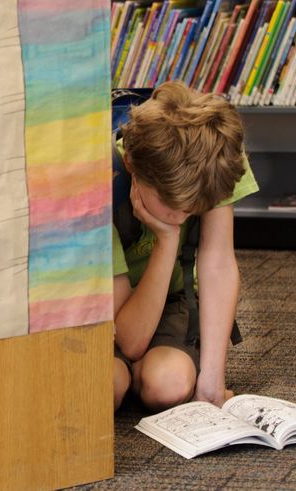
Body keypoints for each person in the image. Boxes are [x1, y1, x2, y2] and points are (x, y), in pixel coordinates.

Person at [112, 81, 259, 412]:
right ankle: (131, 374)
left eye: (193, 208)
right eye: (170, 203)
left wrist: (212, 383)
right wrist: (166, 239)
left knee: (168, 385)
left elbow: (218, 262)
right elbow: (129, 340)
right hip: (111, 311)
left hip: (173, 301)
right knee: (104, 386)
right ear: (134, 167)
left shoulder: (216, 161)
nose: (181, 215)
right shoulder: (107, 177)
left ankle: (149, 371)